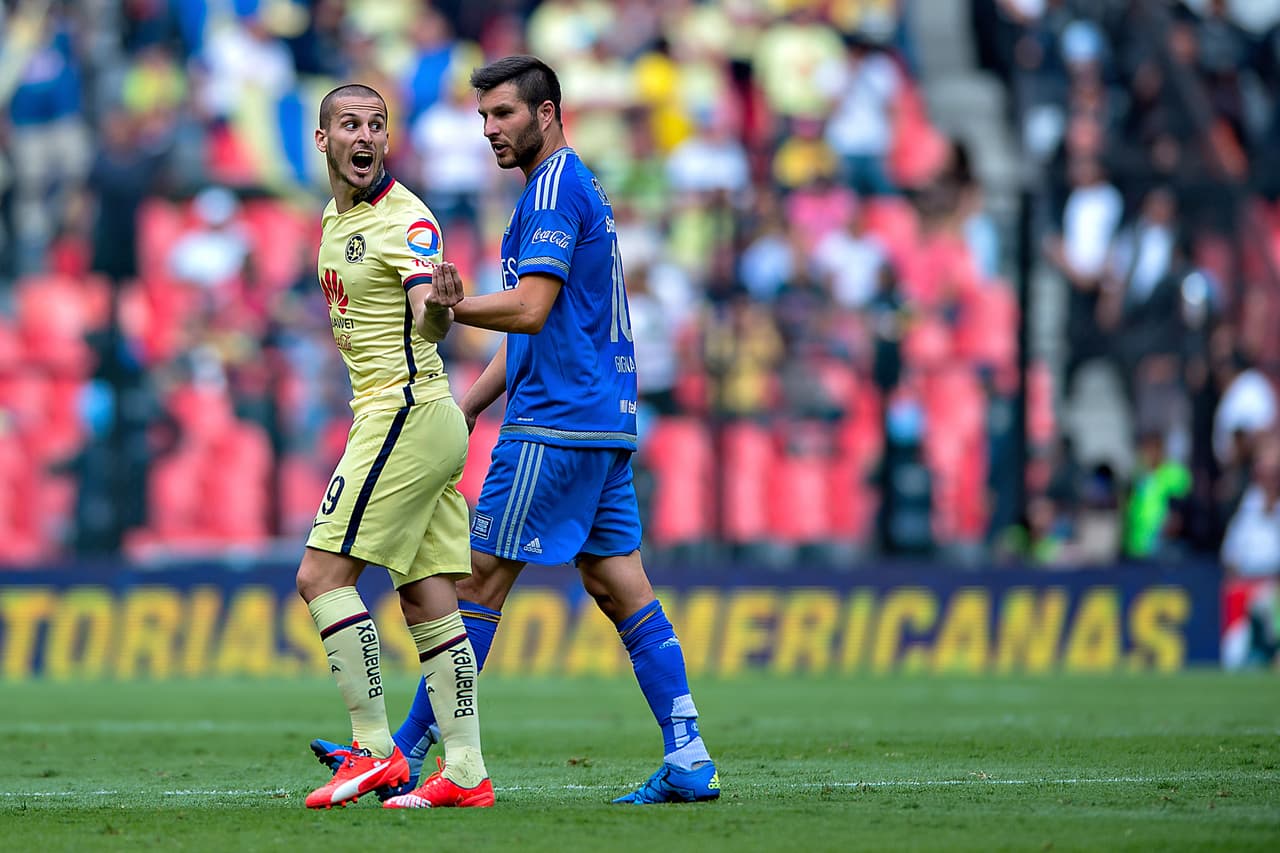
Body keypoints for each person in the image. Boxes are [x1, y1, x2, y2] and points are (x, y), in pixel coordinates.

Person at [313, 56, 721, 805]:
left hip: (554, 423)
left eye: (503, 114)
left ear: (547, 113)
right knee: (618, 584)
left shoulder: (554, 189)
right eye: (483, 117)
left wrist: (451, 303)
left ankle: (406, 751)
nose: (490, 130)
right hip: (603, 419)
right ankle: (689, 754)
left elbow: (529, 311)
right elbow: (542, 322)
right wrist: (470, 404)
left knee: (473, 581)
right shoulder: (563, 185)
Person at [296, 83, 493, 810]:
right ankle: (466, 769)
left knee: (321, 575)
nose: (366, 136)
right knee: (427, 596)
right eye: (350, 124)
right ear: (324, 139)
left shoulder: (407, 219)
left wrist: (439, 308)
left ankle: (375, 750)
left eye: (376, 125)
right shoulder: (334, 217)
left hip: (404, 411)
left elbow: (427, 314)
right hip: (413, 416)